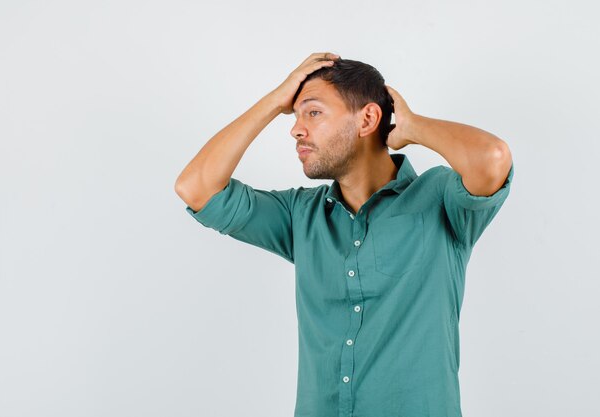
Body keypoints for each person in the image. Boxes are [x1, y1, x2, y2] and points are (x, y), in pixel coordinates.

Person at [175, 52, 514, 417]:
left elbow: (493, 158)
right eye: (296, 115)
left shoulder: (439, 200)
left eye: (314, 112)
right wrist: (275, 101)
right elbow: (195, 187)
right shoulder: (300, 216)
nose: (296, 129)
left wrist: (413, 127)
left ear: (368, 118)